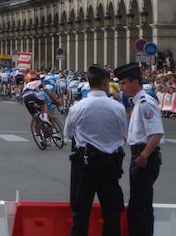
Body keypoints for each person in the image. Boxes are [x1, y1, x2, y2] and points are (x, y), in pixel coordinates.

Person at [63, 64, 127, 236]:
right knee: (112, 214)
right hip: (110, 165)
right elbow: (124, 134)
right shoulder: (118, 107)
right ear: (105, 83)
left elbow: (68, 134)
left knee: (80, 213)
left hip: (84, 164)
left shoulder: (78, 107)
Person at [116, 62, 164, 236]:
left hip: (144, 158)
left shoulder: (145, 103)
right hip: (139, 154)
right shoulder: (137, 103)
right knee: (137, 204)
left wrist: (144, 155)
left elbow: (157, 133)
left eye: (124, 83)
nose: (121, 87)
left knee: (140, 207)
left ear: (135, 82)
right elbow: (141, 134)